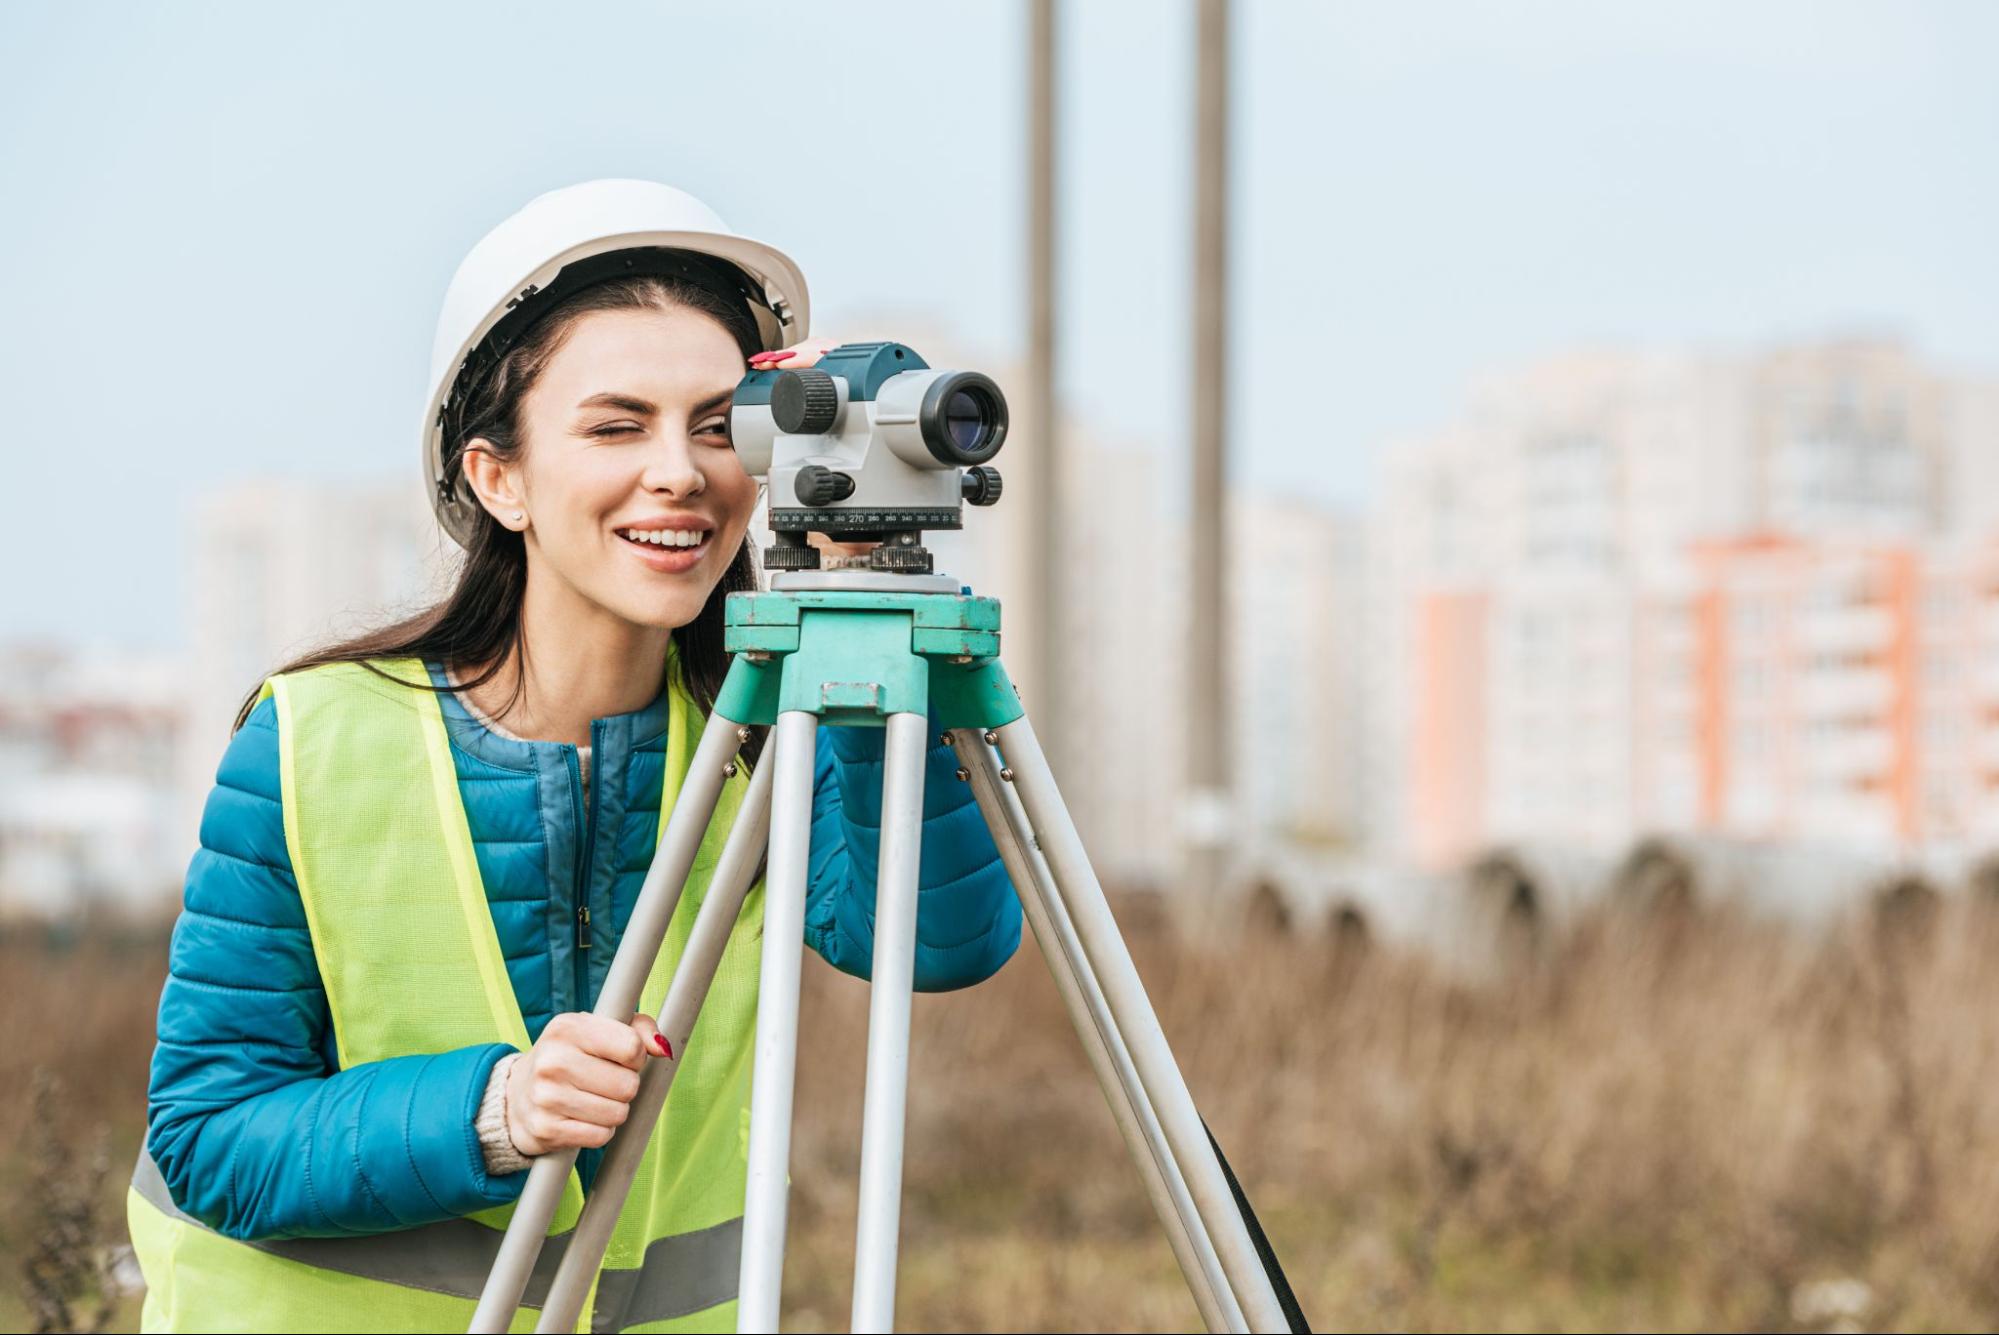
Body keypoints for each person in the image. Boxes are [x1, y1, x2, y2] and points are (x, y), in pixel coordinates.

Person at [128, 179, 1022, 1333]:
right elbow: (207, 1137)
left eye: (718, 426)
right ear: (496, 476)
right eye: (616, 425)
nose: (680, 472)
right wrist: (496, 1109)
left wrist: (854, 598)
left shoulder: (763, 741)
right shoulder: (314, 736)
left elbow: (932, 946)